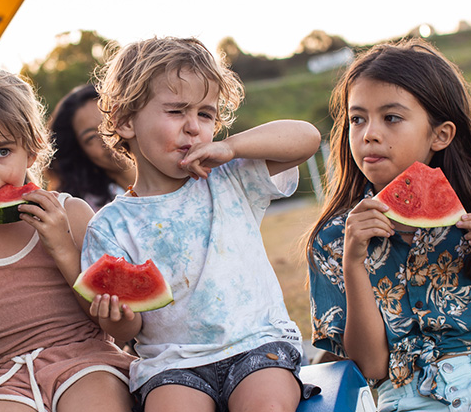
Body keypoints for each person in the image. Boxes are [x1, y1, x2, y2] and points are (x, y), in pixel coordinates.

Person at [82, 36, 322, 412]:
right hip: (173, 365)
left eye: (206, 114)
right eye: (176, 112)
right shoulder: (109, 226)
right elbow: (129, 332)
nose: (194, 127)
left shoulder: (230, 178)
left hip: (258, 345)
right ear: (125, 121)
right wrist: (118, 319)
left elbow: (307, 138)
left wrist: (233, 147)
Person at [305, 39, 471, 412]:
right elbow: (372, 366)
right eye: (357, 118)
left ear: (440, 135)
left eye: (391, 118)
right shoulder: (333, 239)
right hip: (403, 398)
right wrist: (353, 264)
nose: (369, 134)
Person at [0, 59, 135, 412]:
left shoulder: (73, 213)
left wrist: (62, 246)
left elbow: (109, 323)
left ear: (32, 148)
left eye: (3, 151)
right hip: (2, 379)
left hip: (87, 360)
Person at [47, 84, 136, 211]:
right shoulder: (88, 211)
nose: (107, 138)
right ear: (80, 152)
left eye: (109, 122)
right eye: (91, 137)